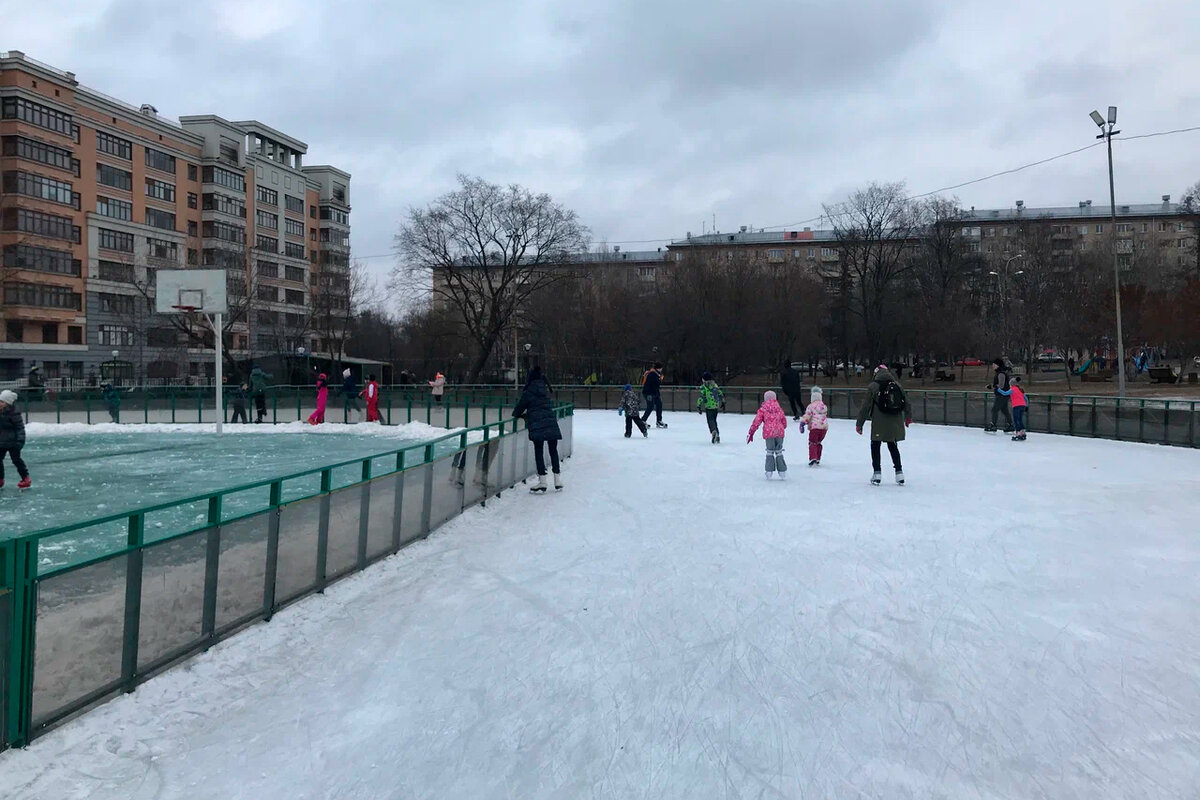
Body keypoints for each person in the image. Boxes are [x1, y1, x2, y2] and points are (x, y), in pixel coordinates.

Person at [855, 364, 912, 485]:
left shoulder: (873, 386)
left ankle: (877, 473)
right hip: (895, 421)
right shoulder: (897, 385)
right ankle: (899, 472)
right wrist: (908, 418)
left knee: (875, 445)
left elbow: (865, 406)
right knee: (892, 445)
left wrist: (859, 423)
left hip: (879, 421)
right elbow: (907, 403)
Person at [513, 366, 563, 492]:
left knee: (539, 451)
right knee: (553, 450)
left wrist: (519, 414)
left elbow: (519, 408)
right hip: (550, 421)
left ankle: (542, 481)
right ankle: (557, 480)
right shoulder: (544, 390)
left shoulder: (529, 391)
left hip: (537, 424)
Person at [747, 390, 788, 480]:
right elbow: (784, 420)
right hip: (780, 433)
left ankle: (769, 471)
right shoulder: (779, 408)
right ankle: (782, 471)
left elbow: (756, 421)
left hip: (768, 433)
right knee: (779, 451)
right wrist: (782, 427)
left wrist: (751, 432)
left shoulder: (763, 409)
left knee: (770, 451)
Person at [0, 390, 31, 489]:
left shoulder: (14, 414)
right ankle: (0, 479)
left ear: (8, 403)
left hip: (13, 442)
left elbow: (20, 428)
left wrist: (20, 441)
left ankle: (25, 478)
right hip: (1, 442)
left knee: (16, 460)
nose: (0, 403)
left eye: (2, 402)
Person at [802, 385, 829, 466]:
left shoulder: (810, 406)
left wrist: (803, 422)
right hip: (824, 428)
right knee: (818, 443)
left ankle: (813, 458)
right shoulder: (824, 406)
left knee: (812, 442)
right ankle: (818, 458)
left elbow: (807, 416)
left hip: (814, 428)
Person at [986, 358, 1014, 433]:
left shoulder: (1001, 373)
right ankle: (1011, 425)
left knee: (994, 409)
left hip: (1002, 395)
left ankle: (993, 425)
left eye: (994, 364)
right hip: (1003, 395)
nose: (993, 366)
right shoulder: (1000, 373)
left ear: (998, 365)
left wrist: (992, 386)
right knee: (1004, 410)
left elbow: (1001, 385)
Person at [696, 371, 725, 444]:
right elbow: (720, 393)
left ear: (704, 379)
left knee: (710, 420)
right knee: (714, 420)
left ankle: (713, 431)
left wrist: (698, 405)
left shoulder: (703, 387)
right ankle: (717, 434)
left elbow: (702, 397)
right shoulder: (715, 385)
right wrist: (723, 402)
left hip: (708, 407)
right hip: (715, 406)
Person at [640, 362, 667, 429]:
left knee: (659, 405)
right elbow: (654, 384)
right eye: (661, 368)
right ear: (658, 368)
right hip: (649, 393)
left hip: (655, 393)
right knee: (650, 406)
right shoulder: (652, 374)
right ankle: (643, 421)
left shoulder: (657, 374)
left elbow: (656, 385)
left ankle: (659, 420)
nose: (661, 369)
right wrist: (660, 379)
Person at [1009, 376, 1028, 441]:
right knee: (1020, 420)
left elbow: (1005, 393)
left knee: (1016, 420)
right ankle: (1023, 433)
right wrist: (1026, 406)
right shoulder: (1020, 390)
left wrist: (997, 389)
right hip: (1022, 406)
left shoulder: (1012, 389)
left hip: (1016, 406)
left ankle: (1018, 433)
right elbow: (1026, 398)